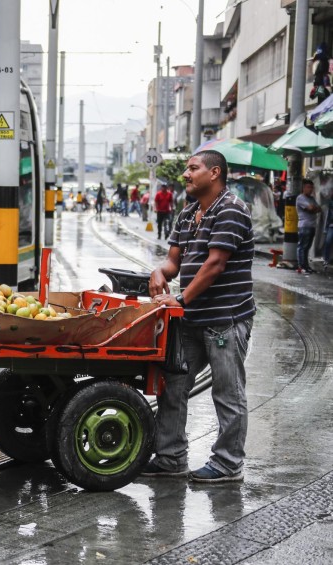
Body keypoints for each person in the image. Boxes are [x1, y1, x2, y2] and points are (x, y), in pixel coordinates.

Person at [142, 149, 255, 483]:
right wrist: (158, 272)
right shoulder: (189, 212)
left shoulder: (231, 210)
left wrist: (179, 298)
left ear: (214, 173)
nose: (186, 174)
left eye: (193, 168)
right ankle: (171, 458)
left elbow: (215, 264)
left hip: (226, 319)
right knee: (173, 384)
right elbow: (173, 261)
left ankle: (228, 464)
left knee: (228, 392)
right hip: (191, 320)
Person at [296, 178, 321, 274]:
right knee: (302, 246)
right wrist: (312, 208)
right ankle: (302, 266)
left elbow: (319, 209)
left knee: (307, 247)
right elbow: (311, 208)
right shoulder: (300, 198)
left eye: (312, 187)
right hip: (304, 226)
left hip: (312, 226)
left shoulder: (312, 199)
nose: (310, 189)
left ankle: (306, 266)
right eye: (308, 187)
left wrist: (312, 208)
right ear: (303, 188)